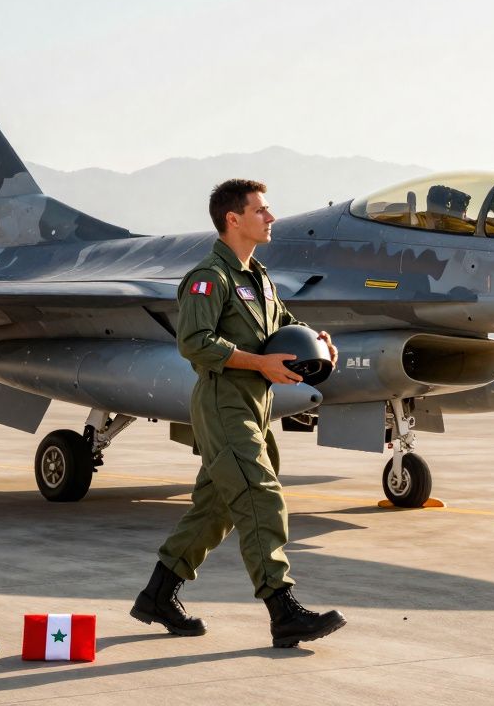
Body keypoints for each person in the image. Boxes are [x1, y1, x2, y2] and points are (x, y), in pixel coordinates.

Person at [131, 179, 347, 648]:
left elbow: (285, 325)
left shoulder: (258, 278)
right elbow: (195, 343)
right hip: (223, 401)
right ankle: (283, 609)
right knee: (259, 497)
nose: (271, 218)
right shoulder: (210, 278)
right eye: (262, 210)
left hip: (256, 405)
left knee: (217, 509)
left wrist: (318, 342)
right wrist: (260, 363)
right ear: (234, 219)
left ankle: (157, 595)